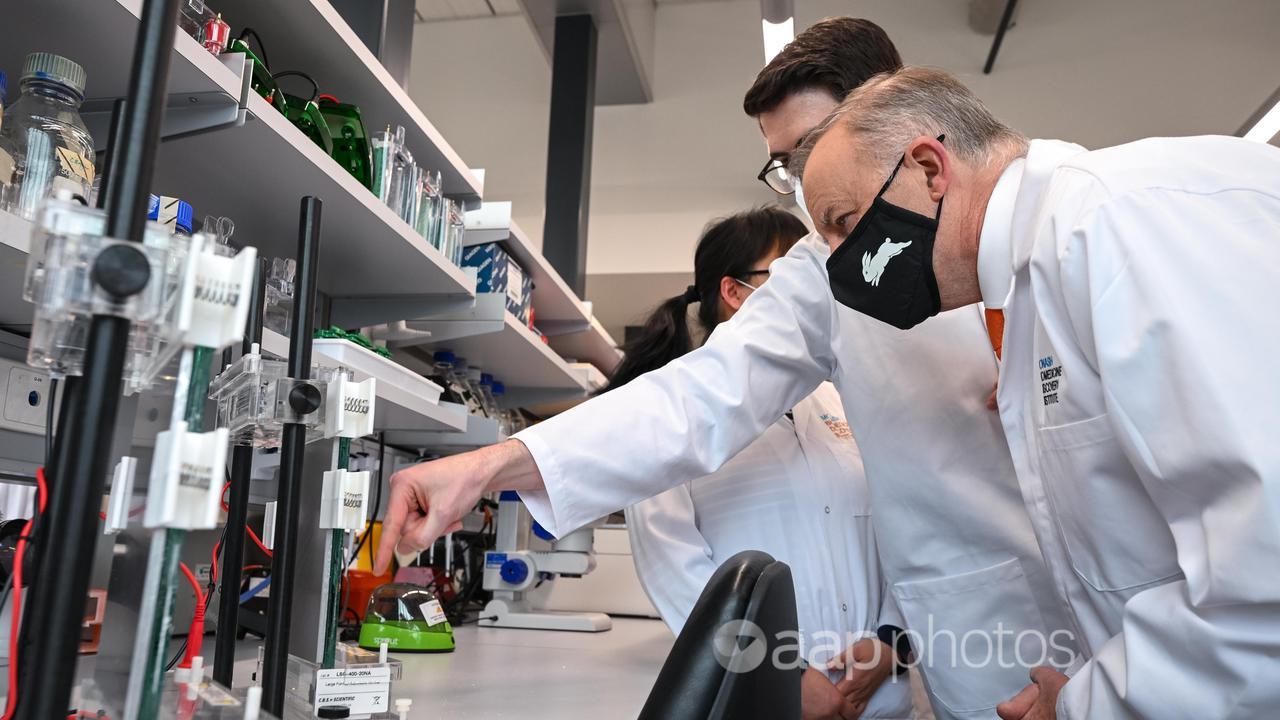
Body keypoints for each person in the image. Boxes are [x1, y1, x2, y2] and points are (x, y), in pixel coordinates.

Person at [375, 20, 1080, 720]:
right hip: (963, 632)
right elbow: (699, 398)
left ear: (891, 113)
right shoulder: (824, 273)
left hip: (1103, 613)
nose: (804, 191)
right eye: (786, 168)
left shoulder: (1068, 219)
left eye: (810, 150)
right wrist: (494, 465)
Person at [790, 65, 1280, 720]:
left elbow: (1262, 574)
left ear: (931, 171)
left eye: (844, 223)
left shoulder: (1113, 221)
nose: (840, 261)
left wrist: (1091, 706)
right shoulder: (1029, 297)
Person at [612, 207, 913, 720]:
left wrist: (892, 642)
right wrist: (781, 674)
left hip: (877, 697)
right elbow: (671, 563)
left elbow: (905, 527)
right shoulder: (672, 409)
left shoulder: (846, 398)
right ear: (734, 293)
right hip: (759, 697)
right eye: (794, 271)